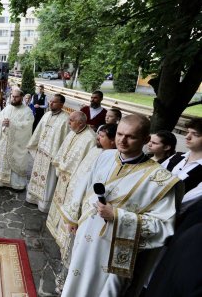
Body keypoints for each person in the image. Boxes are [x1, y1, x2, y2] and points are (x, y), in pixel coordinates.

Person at [61, 114, 179, 297]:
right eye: (120, 134)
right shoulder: (105, 156)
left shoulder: (160, 180)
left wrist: (117, 216)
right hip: (84, 236)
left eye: (130, 136)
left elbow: (163, 227)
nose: (122, 140)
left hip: (113, 253)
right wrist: (73, 218)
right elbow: (85, 186)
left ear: (146, 140)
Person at [52, 123, 118, 292]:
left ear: (113, 140)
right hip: (81, 209)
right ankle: (66, 283)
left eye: (102, 136)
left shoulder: (108, 157)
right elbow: (83, 179)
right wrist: (73, 214)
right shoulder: (98, 152)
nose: (98, 138)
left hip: (96, 217)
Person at [44, 111, 100, 291]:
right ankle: (56, 227)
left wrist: (65, 168)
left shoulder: (90, 139)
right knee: (58, 204)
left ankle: (63, 232)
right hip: (63, 175)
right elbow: (64, 148)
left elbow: (81, 161)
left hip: (71, 179)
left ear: (81, 122)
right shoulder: (74, 132)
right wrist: (59, 162)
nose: (69, 123)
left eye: (72, 120)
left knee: (66, 206)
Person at [26, 94, 70, 211]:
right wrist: (34, 144)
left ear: (61, 104)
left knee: (48, 180)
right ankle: (33, 197)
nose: (51, 103)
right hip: (41, 152)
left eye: (54, 102)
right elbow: (38, 131)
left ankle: (44, 203)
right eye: (50, 101)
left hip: (52, 156)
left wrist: (58, 157)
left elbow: (65, 140)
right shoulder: (46, 115)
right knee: (36, 175)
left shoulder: (65, 119)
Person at [0, 88, 34, 189]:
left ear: (21, 97)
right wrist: (2, 123)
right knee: (3, 160)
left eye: (16, 97)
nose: (14, 98)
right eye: (12, 96)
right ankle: (2, 181)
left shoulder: (27, 111)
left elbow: (27, 125)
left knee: (16, 162)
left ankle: (16, 184)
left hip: (17, 143)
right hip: (5, 140)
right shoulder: (8, 108)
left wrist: (12, 125)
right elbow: (0, 118)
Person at [162, 118, 202, 212]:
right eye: (188, 132)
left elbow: (184, 204)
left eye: (195, 134)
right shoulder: (177, 156)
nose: (187, 137)